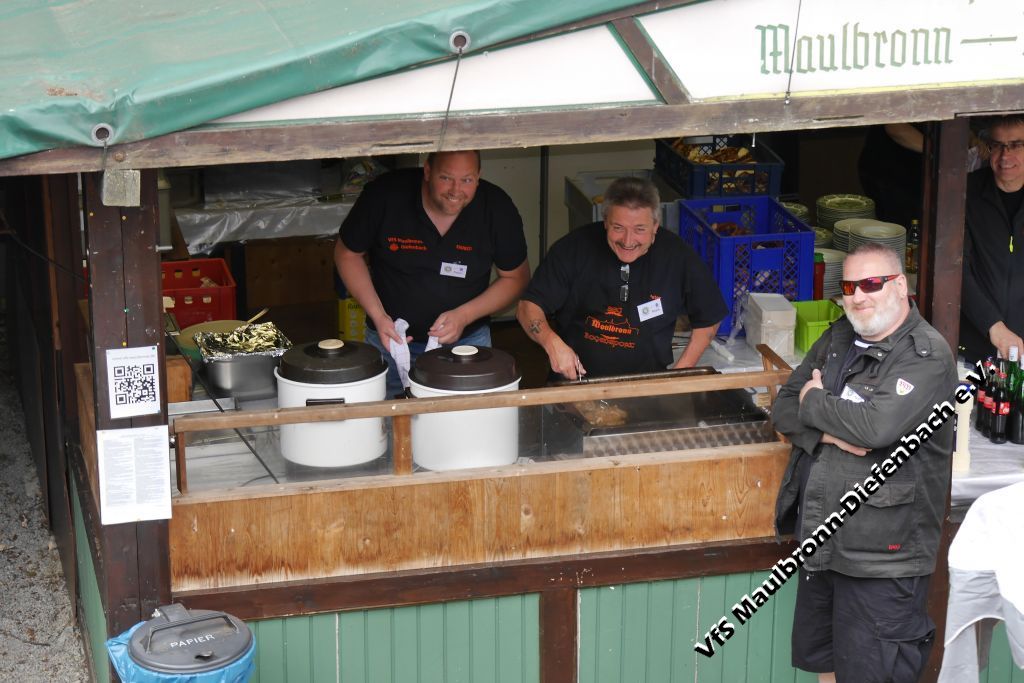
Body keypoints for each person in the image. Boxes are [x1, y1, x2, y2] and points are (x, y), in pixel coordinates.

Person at [772, 243, 957, 683]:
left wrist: (815, 401)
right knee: (825, 667)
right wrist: (832, 431)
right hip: (823, 538)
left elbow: (876, 428)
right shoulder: (839, 336)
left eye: (872, 283)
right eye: (850, 286)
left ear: (901, 287)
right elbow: (782, 408)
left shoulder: (926, 355)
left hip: (882, 558)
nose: (858, 296)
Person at [335, 150, 530, 397]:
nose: (456, 190)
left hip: (466, 347)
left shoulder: (496, 207)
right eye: (446, 178)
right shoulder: (386, 194)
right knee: (389, 416)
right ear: (427, 171)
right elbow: (347, 254)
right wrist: (378, 315)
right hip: (390, 342)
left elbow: (516, 277)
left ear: (478, 176)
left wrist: (464, 315)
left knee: (464, 417)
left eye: (467, 180)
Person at [516, 176, 727, 379]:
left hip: (649, 384)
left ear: (655, 226)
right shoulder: (573, 249)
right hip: (575, 381)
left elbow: (709, 317)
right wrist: (551, 342)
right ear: (605, 221)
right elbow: (527, 307)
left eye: (639, 229)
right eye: (618, 228)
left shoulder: (678, 257)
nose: (628, 241)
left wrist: (680, 373)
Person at [959, 115, 1024, 362]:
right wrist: (993, 325)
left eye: (1016, 145)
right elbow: (956, 268)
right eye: (997, 145)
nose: (1005, 156)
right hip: (975, 344)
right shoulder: (965, 192)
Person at [857, 123, 925, 229]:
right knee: (901, 227)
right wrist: (938, 150)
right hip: (894, 172)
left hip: (908, 175)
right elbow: (896, 128)